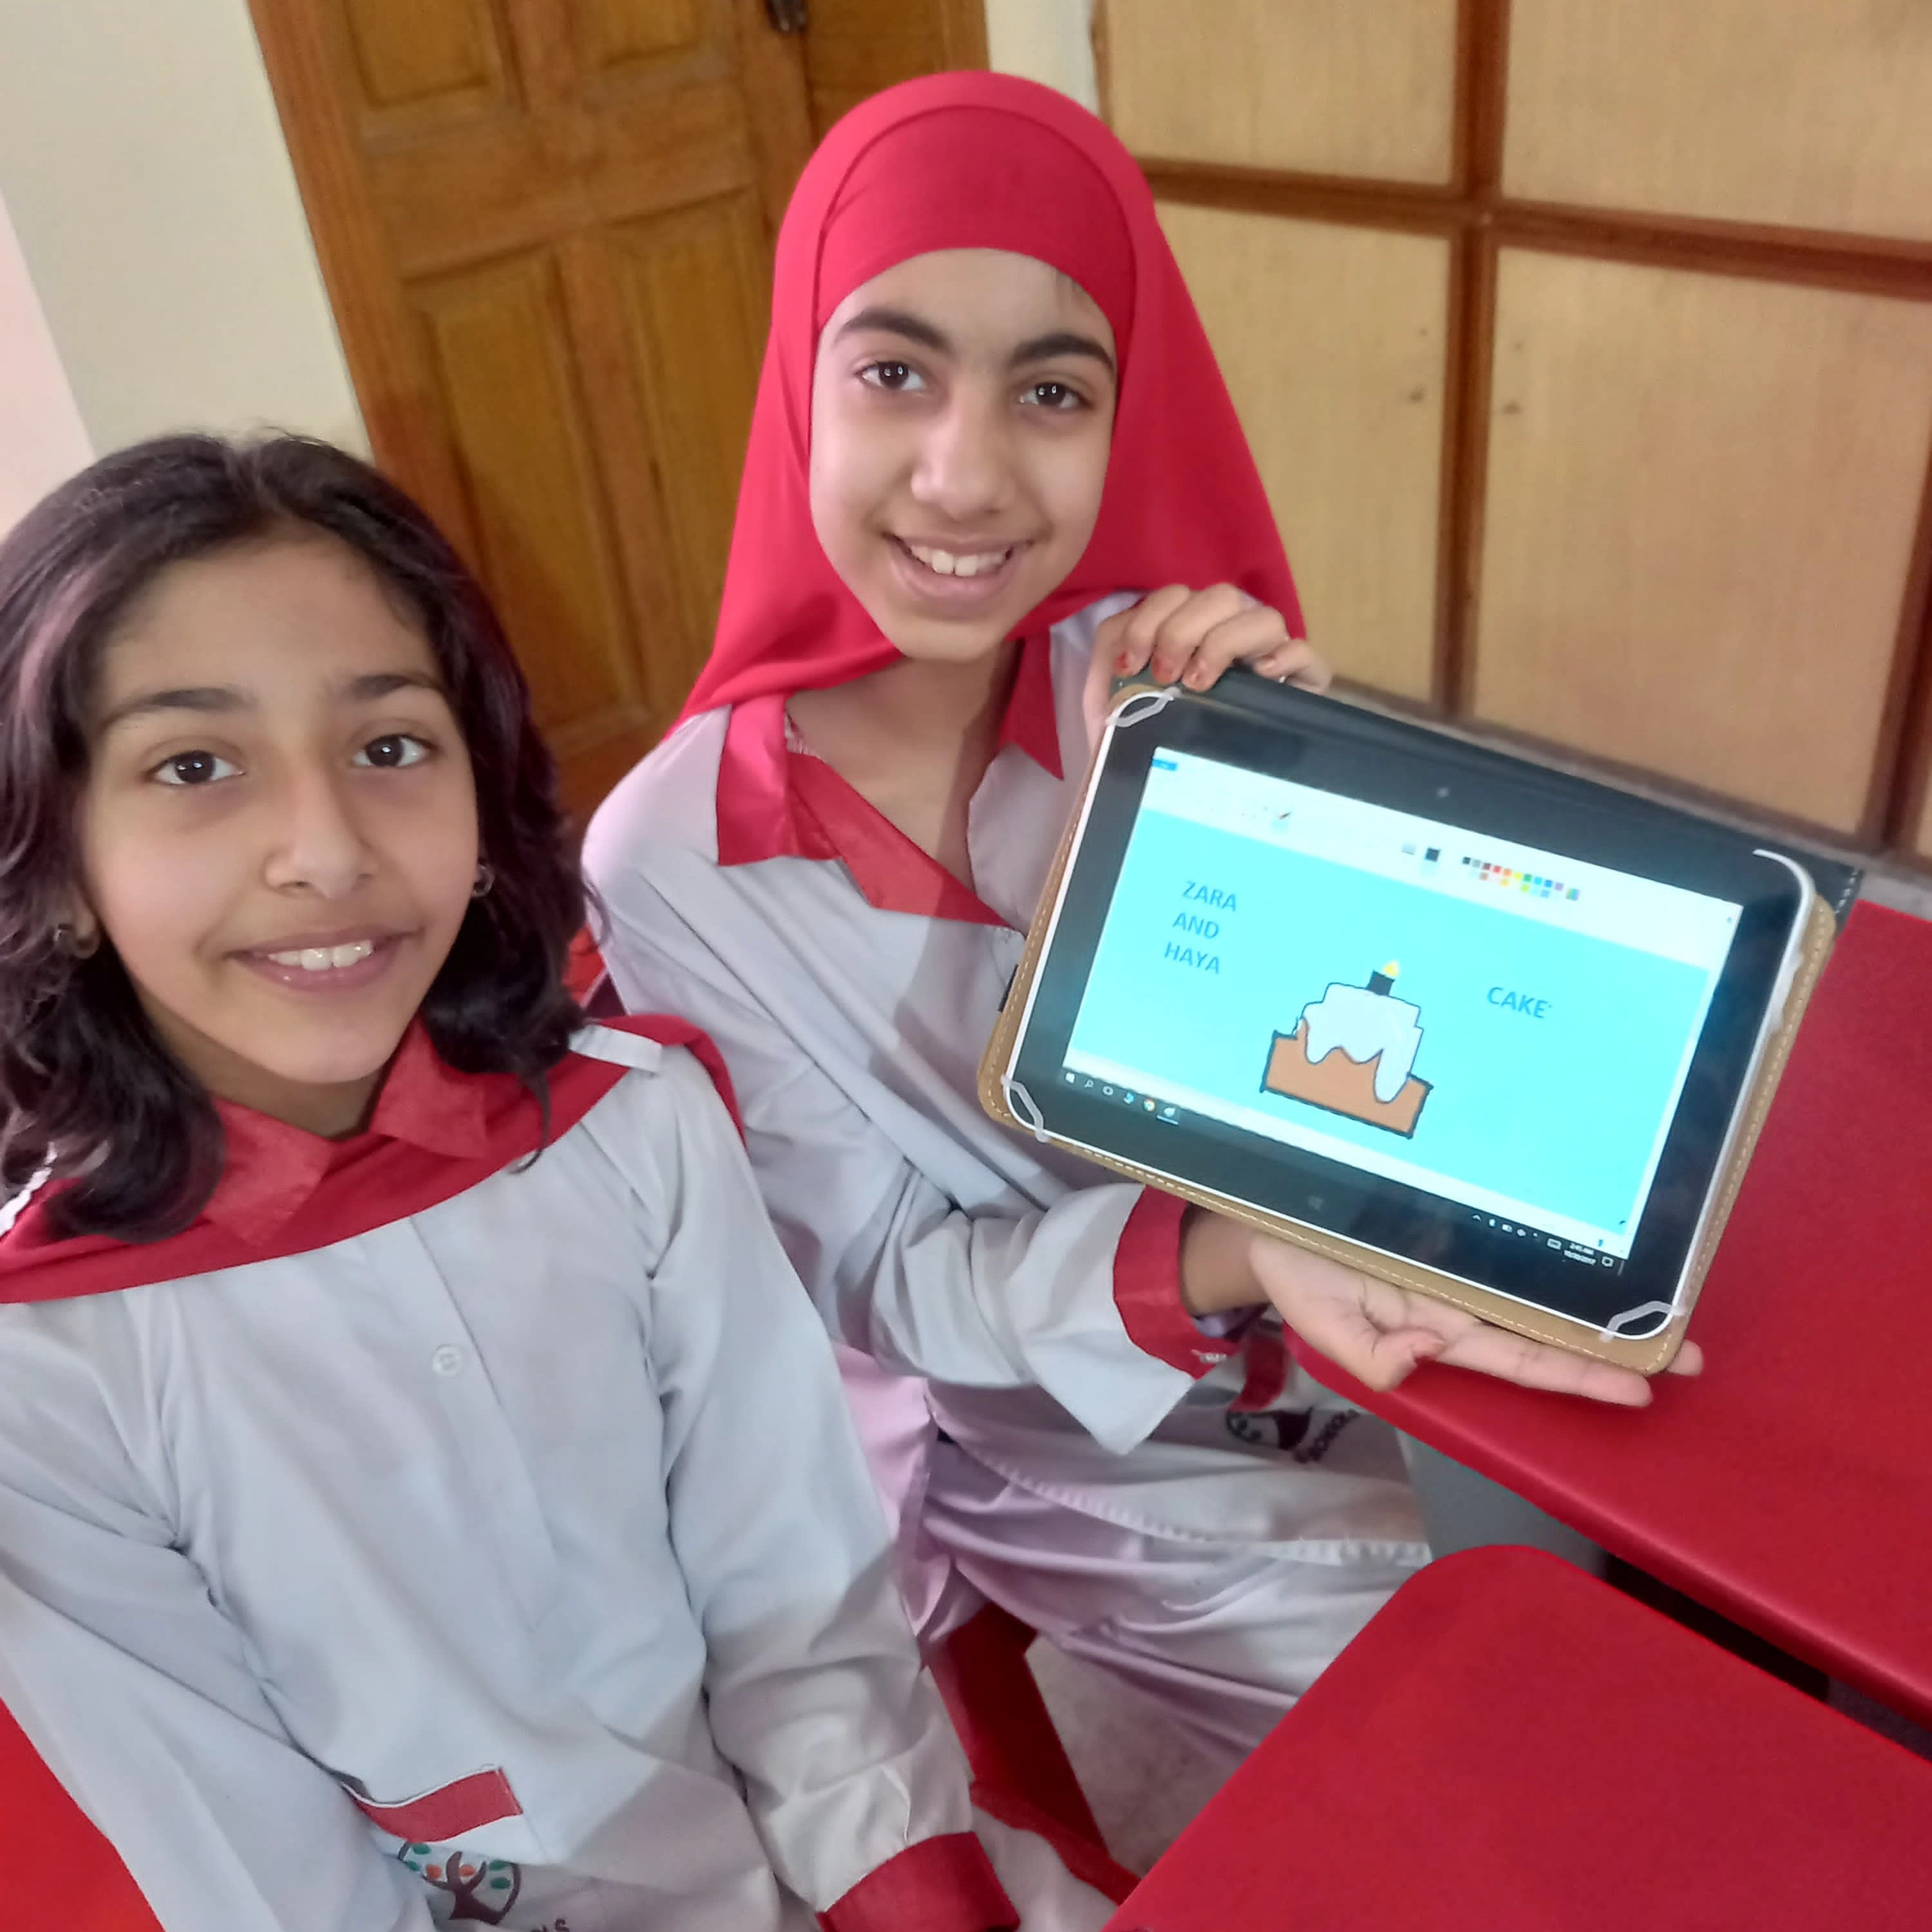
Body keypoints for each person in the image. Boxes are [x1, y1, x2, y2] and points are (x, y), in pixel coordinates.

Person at [583, 73, 1699, 1770]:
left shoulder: (1155, 679)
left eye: (1051, 388)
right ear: (799, 390)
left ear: (1128, 420)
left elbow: (1386, 1053)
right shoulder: (674, 853)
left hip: (1349, 1322)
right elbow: (885, 1287)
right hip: (1078, 1444)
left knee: (1711, 1561)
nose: (964, 476)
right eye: (894, 371)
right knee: (1516, 1740)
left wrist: (1278, 804)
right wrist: (1248, 1254)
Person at [0, 435, 1117, 1932]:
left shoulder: (632, 1131)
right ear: (60, 863)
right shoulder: (46, 1364)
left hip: (829, 1872)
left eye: (391, 745)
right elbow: (265, 1878)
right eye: (194, 767)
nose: (324, 850)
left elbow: (797, 1615)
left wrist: (904, 1897)